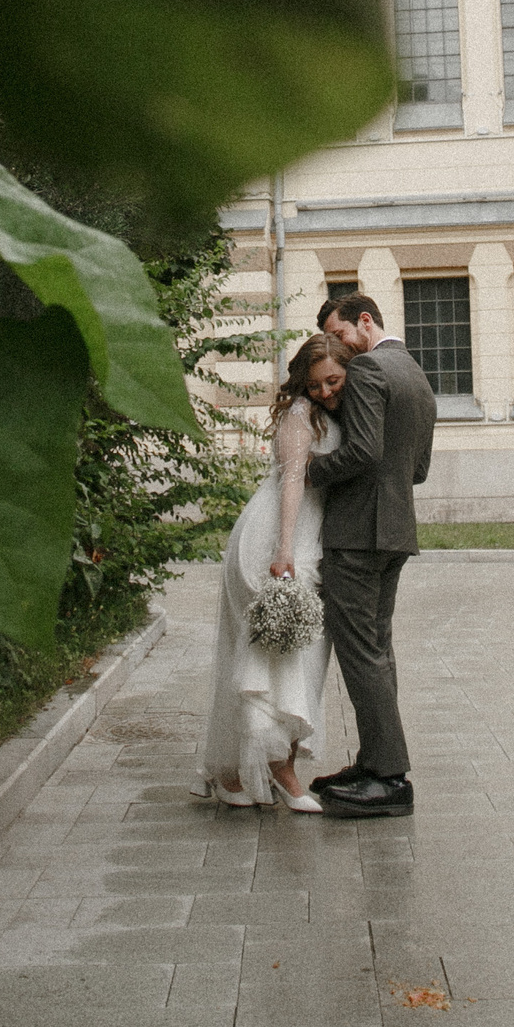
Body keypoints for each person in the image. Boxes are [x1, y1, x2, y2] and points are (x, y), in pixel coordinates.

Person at [195, 333, 348, 811]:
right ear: (302, 383)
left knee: (284, 654)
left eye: (334, 381)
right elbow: (292, 483)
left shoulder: (331, 413)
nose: (325, 391)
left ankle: (230, 770)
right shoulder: (300, 416)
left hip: (302, 537)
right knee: (277, 655)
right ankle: (279, 769)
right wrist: (283, 550)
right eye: (316, 383)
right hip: (275, 539)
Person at [304, 293, 438, 818]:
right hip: (396, 531)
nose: (335, 349)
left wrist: (307, 471)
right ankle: (376, 762)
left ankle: (388, 780)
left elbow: (362, 451)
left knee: (361, 654)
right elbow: (418, 469)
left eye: (338, 335)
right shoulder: (416, 375)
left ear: (365, 322)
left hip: (357, 534)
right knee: (377, 651)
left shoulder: (366, 371)